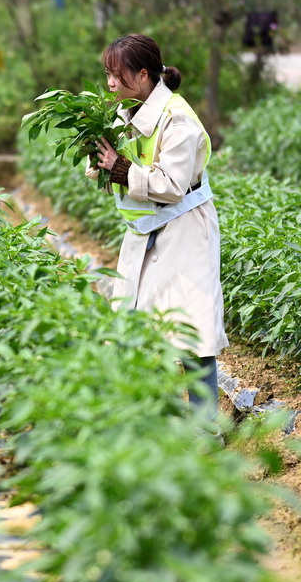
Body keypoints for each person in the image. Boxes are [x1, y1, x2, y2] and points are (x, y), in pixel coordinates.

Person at [88, 34, 226, 417]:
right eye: (107, 74)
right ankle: (150, 421)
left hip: (184, 230)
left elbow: (171, 185)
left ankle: (204, 429)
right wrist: (97, 156)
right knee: (138, 328)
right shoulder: (125, 112)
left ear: (144, 74)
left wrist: (119, 167)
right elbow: (109, 169)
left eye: (117, 75)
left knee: (191, 334)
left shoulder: (177, 118)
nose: (110, 83)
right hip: (145, 233)